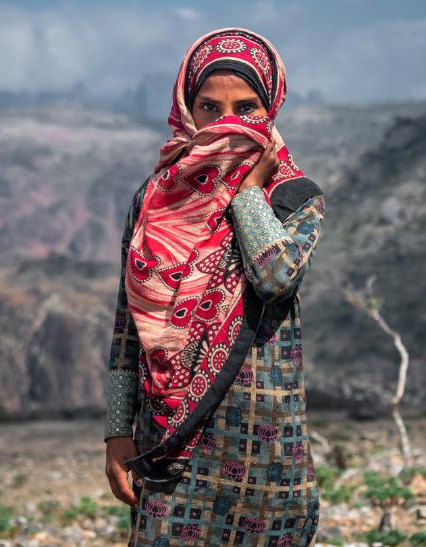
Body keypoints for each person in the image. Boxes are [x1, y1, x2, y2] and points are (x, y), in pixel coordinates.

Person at [103, 27, 325, 546]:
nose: (228, 123)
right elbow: (126, 329)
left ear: (271, 109)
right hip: (171, 446)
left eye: (247, 108)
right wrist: (117, 432)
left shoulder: (294, 196)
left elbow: (275, 278)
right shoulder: (156, 200)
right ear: (187, 107)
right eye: (210, 106)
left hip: (265, 456)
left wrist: (248, 193)